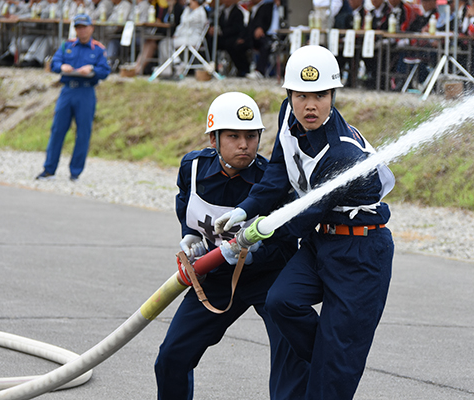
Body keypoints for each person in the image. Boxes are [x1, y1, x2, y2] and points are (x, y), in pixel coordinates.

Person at [215, 45, 395, 399]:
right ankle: (333, 363)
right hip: (321, 242)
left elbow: (302, 216)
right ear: (289, 95)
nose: (310, 105)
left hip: (360, 253)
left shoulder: (342, 153)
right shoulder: (288, 116)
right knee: (282, 301)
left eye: (320, 95)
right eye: (301, 95)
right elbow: (280, 172)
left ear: (333, 96)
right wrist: (246, 209)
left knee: (331, 377)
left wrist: (253, 236)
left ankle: (334, 368)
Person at [154, 92, 303, 400]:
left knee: (292, 356)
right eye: (233, 136)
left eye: (251, 136)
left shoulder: (272, 180)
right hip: (217, 275)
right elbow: (186, 205)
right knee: (171, 357)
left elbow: (290, 237)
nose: (244, 145)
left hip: (271, 279)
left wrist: (257, 256)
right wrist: (190, 236)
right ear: (213, 139)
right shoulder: (192, 169)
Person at [36, 14, 111, 181]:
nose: (81, 30)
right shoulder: (67, 46)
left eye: (84, 27)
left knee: (83, 132)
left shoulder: (98, 49)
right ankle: (49, 169)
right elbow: (54, 63)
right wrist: (62, 66)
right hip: (68, 90)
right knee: (57, 130)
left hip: (86, 91)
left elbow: (105, 71)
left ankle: (75, 172)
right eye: (78, 27)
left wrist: (91, 69)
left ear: (91, 28)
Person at [150, 0, 208, 77]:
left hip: (193, 38)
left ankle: (177, 64)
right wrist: (176, 34)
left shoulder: (200, 12)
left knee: (167, 43)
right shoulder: (187, 10)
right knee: (164, 43)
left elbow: (190, 24)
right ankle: (169, 67)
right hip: (182, 37)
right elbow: (181, 25)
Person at [208, 0, 250, 77]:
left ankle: (242, 69)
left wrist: (221, 31)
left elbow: (237, 28)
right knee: (210, 42)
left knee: (232, 45)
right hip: (223, 38)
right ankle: (212, 66)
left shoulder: (238, 12)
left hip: (234, 37)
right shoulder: (221, 12)